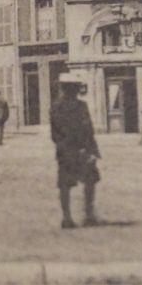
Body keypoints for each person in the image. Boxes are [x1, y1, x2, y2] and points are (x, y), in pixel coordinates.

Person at [50, 72, 101, 228]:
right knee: (88, 182)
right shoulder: (80, 106)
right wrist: (90, 150)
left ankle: (67, 218)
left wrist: (65, 146)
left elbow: (55, 133)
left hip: (66, 150)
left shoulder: (55, 106)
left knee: (66, 185)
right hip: (80, 150)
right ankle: (87, 215)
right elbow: (88, 129)